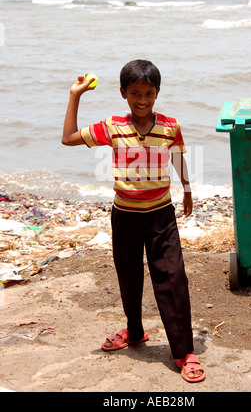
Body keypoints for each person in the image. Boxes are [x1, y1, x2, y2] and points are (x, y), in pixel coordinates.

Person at [62, 59, 205, 383]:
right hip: (125, 215)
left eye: (149, 94)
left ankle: (184, 351)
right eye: (136, 93)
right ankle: (135, 331)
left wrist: (187, 190)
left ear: (157, 93)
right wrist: (76, 95)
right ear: (124, 93)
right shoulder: (112, 126)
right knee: (128, 276)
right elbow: (68, 137)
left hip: (161, 215)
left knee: (172, 278)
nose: (142, 100)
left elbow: (179, 157)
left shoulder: (170, 126)